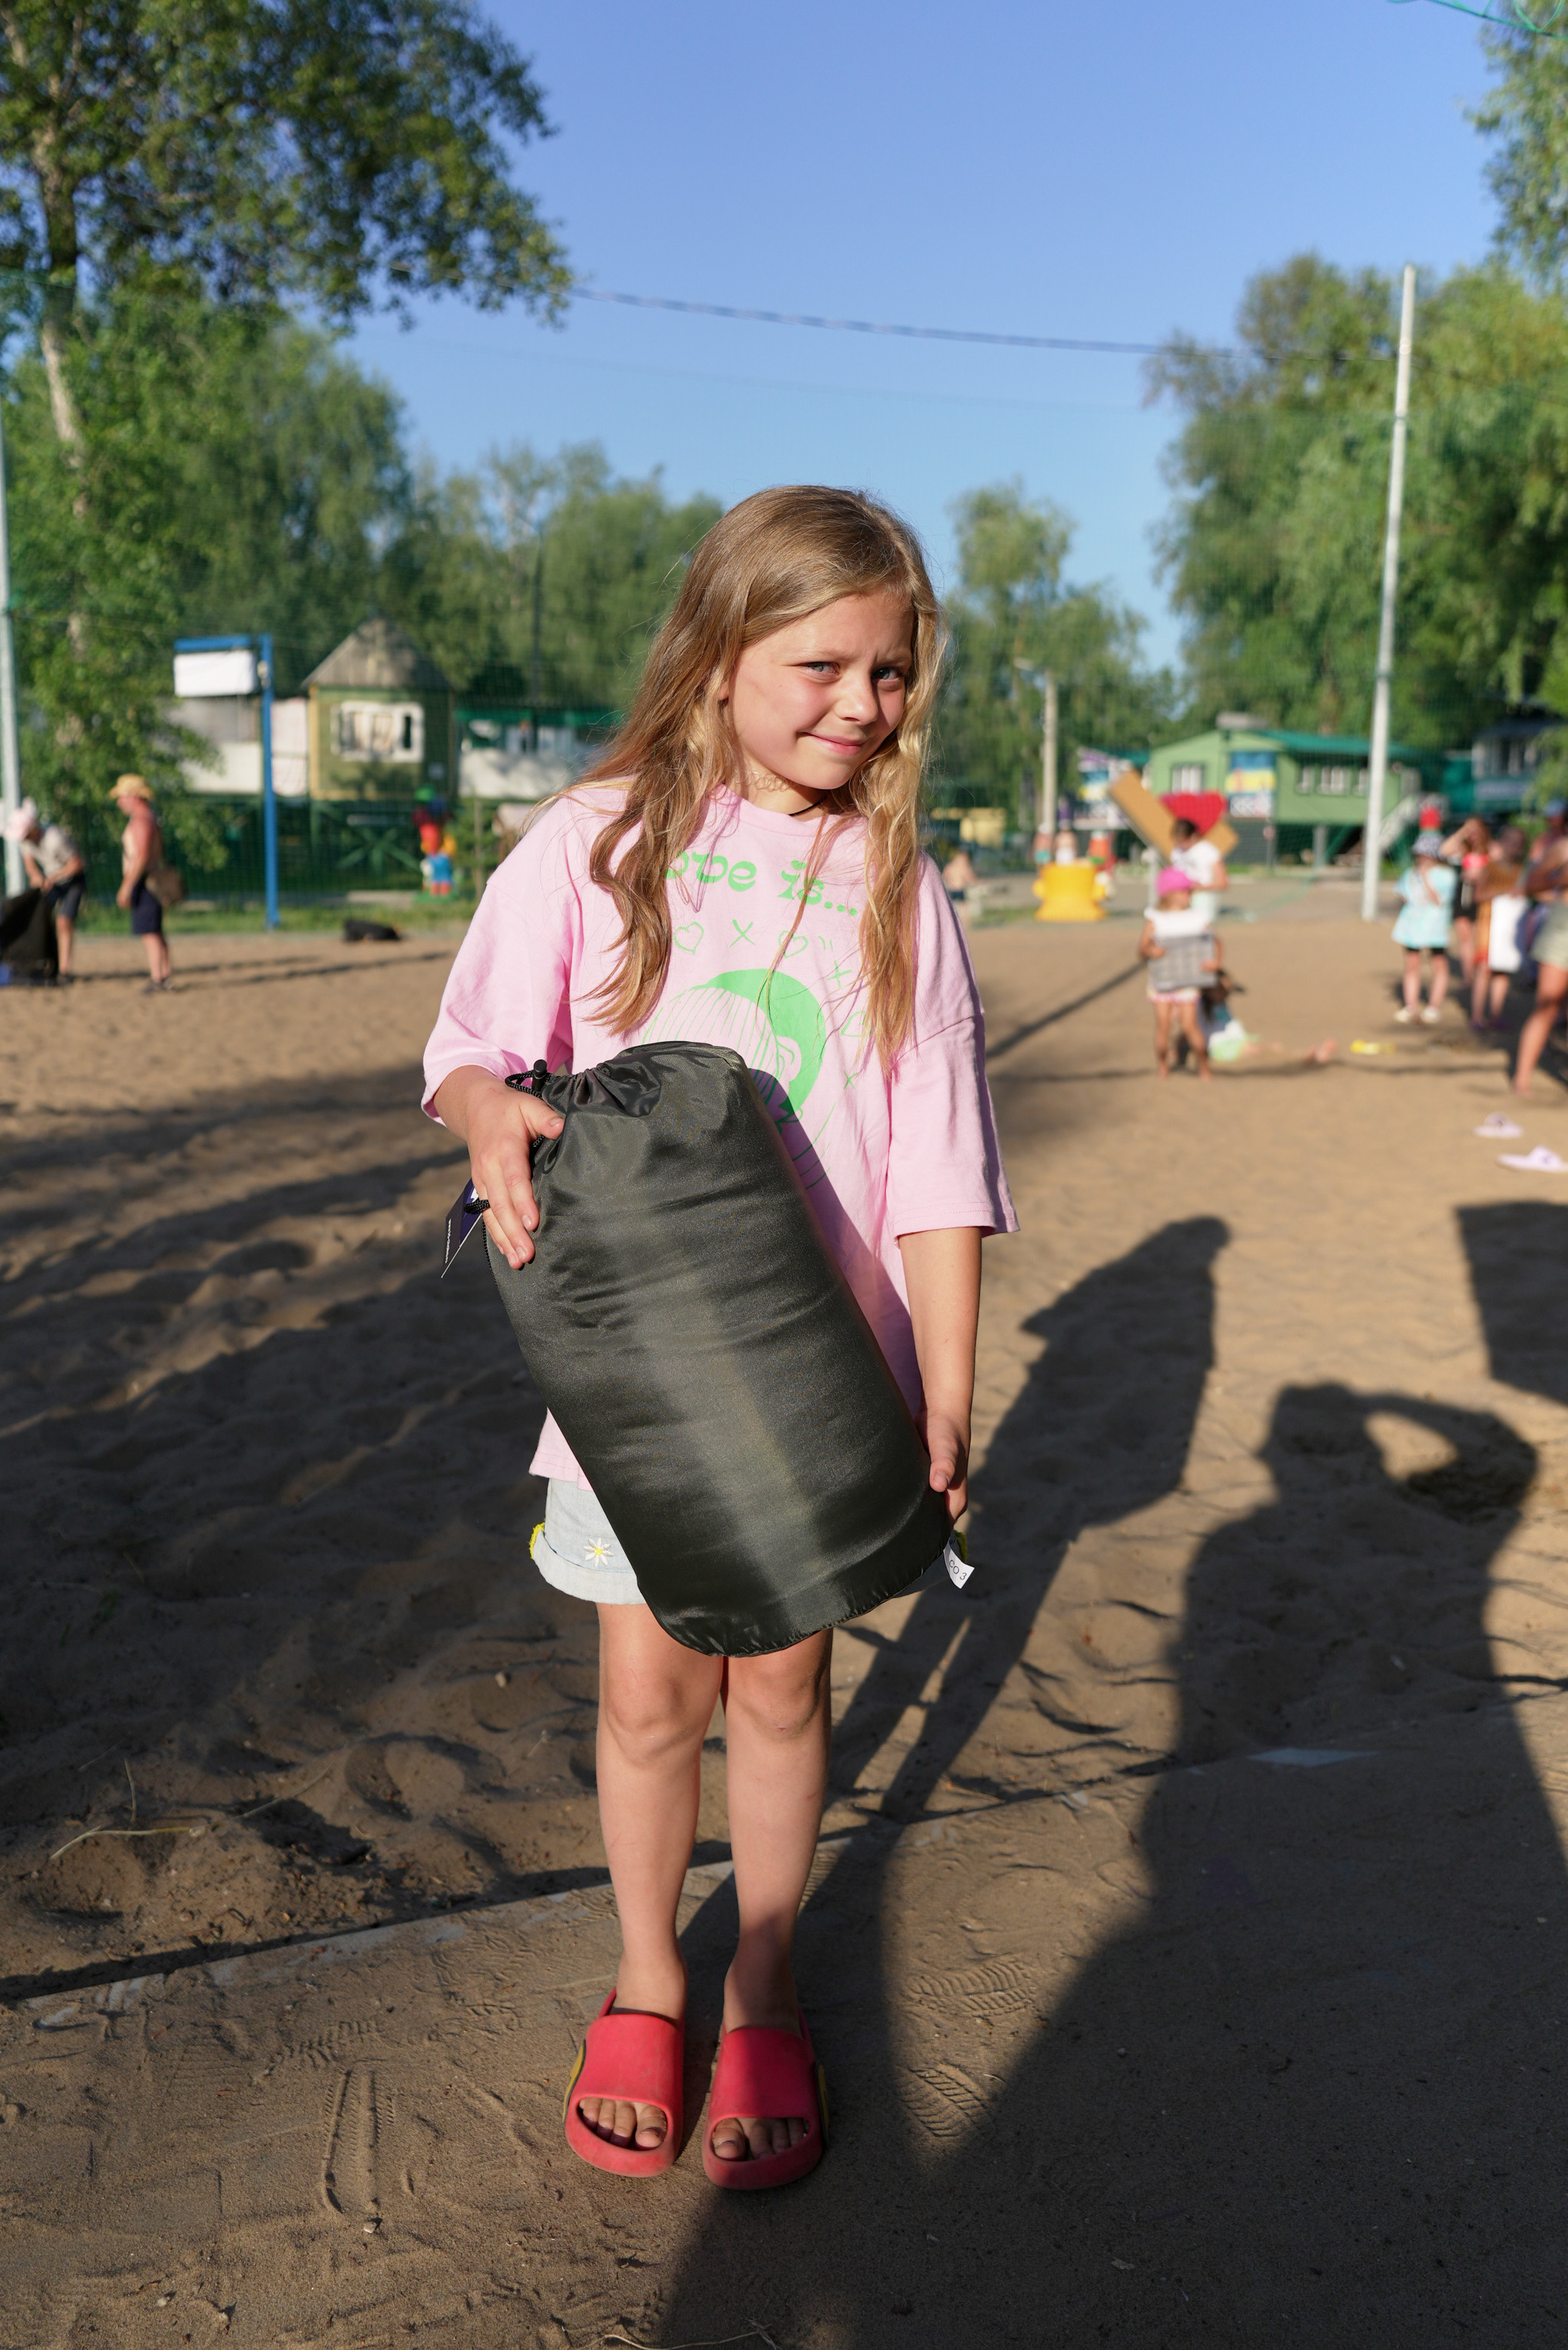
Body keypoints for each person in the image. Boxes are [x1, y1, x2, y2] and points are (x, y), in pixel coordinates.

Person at [423, 487, 1012, 2188]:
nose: (861, 703)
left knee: (779, 1688)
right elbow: (469, 1042)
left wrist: (945, 1384)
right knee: (641, 1697)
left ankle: (759, 1983)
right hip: (635, 1374)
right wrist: (478, 1113)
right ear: (720, 643)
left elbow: (939, 1169)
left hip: (825, 1381)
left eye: (892, 674)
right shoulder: (601, 836)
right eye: (821, 662)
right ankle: (644, 1972)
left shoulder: (903, 893)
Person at [1139, 867, 1219, 1080]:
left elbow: (1215, 941)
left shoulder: (1198, 917)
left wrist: (1215, 962)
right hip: (1162, 980)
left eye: (1189, 891)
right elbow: (1142, 948)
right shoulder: (1156, 917)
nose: (1189, 895)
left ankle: (1204, 1066)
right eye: (1185, 891)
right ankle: (1162, 1066)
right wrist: (1151, 950)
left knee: (1189, 1025)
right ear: (1169, 893)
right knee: (1163, 1026)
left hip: (1188, 981)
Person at [1512, 809, 1568, 1094]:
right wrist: (1560, 880)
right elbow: (1531, 884)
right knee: (1547, 1005)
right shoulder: (1562, 847)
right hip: (1563, 928)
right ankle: (1522, 1078)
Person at [12, 795, 87, 979]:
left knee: (63, 922)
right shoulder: (26, 842)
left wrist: (53, 877)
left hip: (72, 881)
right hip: (52, 881)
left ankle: (65, 970)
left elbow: (77, 864)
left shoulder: (55, 838)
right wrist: (37, 877)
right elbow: (29, 863)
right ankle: (43, 961)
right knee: (39, 919)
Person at [111, 772, 172, 990]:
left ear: (134, 796)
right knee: (154, 930)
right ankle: (163, 975)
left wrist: (126, 887)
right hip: (149, 879)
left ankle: (158, 978)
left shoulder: (142, 820)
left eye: (122, 797)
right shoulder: (149, 818)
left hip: (144, 881)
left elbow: (142, 856)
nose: (119, 802)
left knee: (149, 932)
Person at [1391, 830, 1455, 1023]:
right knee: (1411, 965)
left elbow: (1439, 900)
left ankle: (1433, 1007)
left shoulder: (1446, 875)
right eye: (1419, 853)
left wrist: (1426, 878)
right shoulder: (1410, 873)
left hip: (1434, 929)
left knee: (1438, 965)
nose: (1421, 857)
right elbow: (1401, 893)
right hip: (1412, 927)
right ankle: (1410, 1007)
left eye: (1425, 853)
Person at [1472, 824, 1526, 1033]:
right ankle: (1478, 1016)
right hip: (1489, 924)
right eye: (1510, 842)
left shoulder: (1522, 870)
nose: (1513, 847)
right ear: (1501, 843)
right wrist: (1505, 890)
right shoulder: (1490, 868)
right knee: (1484, 970)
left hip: (1509, 927)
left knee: (1502, 971)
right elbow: (1478, 896)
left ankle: (1495, 1015)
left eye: (1517, 844)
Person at [1440, 816, 1491, 988]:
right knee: (1464, 937)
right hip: (1463, 893)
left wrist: (1481, 875)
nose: (1473, 834)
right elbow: (1444, 850)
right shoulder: (1463, 849)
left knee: (1479, 937)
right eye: (1470, 830)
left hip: (1481, 895)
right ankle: (1468, 975)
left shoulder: (1490, 850)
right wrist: (1463, 832)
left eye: (1476, 829)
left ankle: (1480, 972)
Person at [1168, 813, 1226, 931]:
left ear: (1193, 836)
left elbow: (1223, 882)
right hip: (1181, 900)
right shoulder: (1176, 852)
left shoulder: (1208, 851)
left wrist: (1201, 887)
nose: (1181, 845)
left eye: (1183, 841)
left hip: (1201, 901)